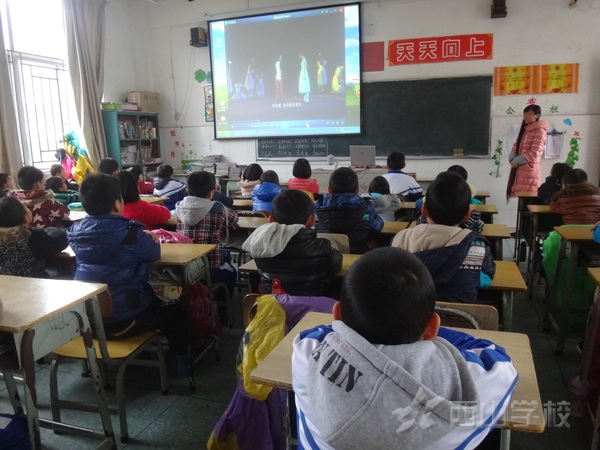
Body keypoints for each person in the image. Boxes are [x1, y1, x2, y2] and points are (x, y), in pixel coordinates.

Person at [292, 247, 518, 450]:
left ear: (338, 314)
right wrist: (421, 328)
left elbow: (326, 331)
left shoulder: (307, 351)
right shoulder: (471, 382)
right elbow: (496, 358)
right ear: (432, 327)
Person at [67, 174, 186, 366]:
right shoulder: (131, 233)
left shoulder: (75, 232)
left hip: (88, 321)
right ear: (117, 204)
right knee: (177, 309)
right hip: (126, 321)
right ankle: (182, 363)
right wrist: (147, 237)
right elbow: (154, 254)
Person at [391, 171, 495, 303]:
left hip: (411, 314)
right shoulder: (477, 246)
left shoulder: (401, 239)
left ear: (424, 210)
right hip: (459, 315)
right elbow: (485, 281)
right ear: (467, 215)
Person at [242, 189, 343, 296]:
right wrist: (335, 252)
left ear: (271, 220)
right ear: (312, 221)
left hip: (273, 304)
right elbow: (336, 266)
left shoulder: (261, 244)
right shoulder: (322, 247)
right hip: (313, 305)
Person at [176, 171, 239, 294]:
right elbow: (234, 219)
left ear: (187, 189)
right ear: (212, 191)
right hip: (209, 267)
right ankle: (220, 304)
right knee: (231, 272)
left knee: (224, 255)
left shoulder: (179, 207)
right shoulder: (218, 209)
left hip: (184, 265)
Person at [314, 167, 383, 254]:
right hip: (358, 257)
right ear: (357, 190)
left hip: (326, 257)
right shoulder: (366, 207)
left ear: (329, 190)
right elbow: (377, 228)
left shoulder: (317, 209)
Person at [0, 196, 68, 278]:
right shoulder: (30, 237)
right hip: (35, 283)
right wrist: (49, 229)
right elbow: (61, 241)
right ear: (25, 217)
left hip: (9, 284)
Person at [415, 165, 484, 233]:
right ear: (467, 214)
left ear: (424, 210)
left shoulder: (420, 225)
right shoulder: (474, 221)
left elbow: (417, 203)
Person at [506, 104, 548, 199]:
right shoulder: (526, 130)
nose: (526, 116)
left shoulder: (540, 131)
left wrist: (516, 161)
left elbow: (535, 152)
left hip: (529, 170)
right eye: (524, 114)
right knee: (521, 199)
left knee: (527, 200)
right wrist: (512, 158)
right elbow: (516, 145)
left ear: (537, 116)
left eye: (529, 114)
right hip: (521, 169)